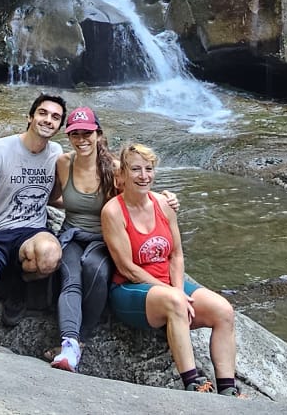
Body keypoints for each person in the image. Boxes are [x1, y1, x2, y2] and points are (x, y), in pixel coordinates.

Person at [101, 142, 245, 396]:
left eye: (148, 169)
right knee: (176, 302)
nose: (143, 176)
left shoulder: (164, 204)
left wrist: (178, 288)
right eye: (135, 169)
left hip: (169, 285)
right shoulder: (113, 212)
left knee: (223, 310)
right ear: (122, 174)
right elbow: (128, 267)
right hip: (130, 289)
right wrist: (175, 294)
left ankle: (227, 388)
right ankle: (193, 383)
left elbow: (176, 254)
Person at [0, 92, 66, 346]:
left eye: (55, 117)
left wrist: (106, 204)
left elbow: (54, 197)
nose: (48, 120)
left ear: (59, 127)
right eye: (43, 113)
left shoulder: (56, 153)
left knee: (50, 255)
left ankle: (18, 283)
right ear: (30, 117)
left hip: (31, 231)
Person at [46, 105, 114, 372]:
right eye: (75, 134)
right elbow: (53, 198)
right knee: (71, 277)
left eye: (87, 133)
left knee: (95, 270)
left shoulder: (114, 168)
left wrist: (166, 198)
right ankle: (69, 345)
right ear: (69, 136)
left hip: (102, 238)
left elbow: (136, 199)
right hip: (71, 234)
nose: (82, 139)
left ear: (98, 134)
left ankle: (82, 337)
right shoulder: (63, 163)